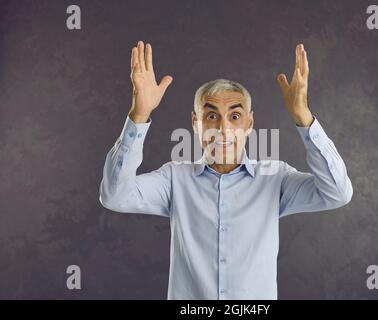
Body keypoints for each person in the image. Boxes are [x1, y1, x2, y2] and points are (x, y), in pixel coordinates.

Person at [99, 40, 353, 299]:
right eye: (211, 116)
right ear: (194, 123)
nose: (223, 129)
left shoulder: (275, 178)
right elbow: (115, 196)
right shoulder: (174, 178)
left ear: (250, 123)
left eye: (234, 116)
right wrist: (139, 115)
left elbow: (337, 193)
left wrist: (303, 115)